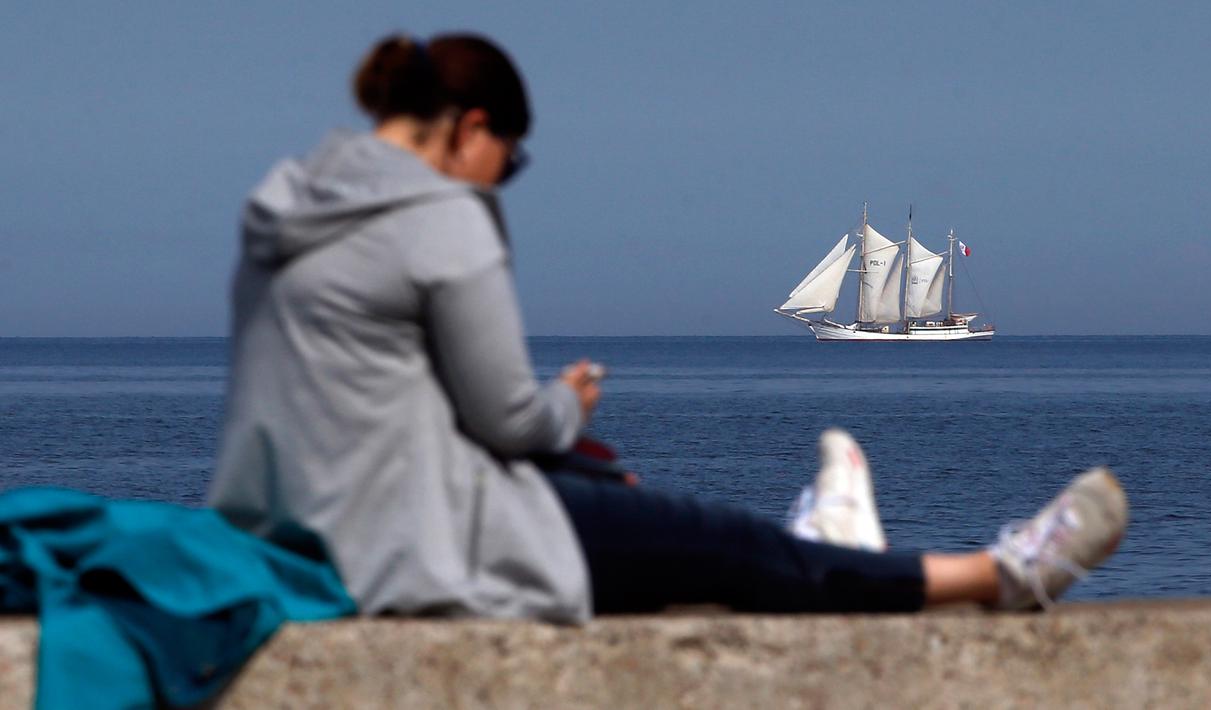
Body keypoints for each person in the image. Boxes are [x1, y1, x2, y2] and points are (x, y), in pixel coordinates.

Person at [208, 33, 1127, 622]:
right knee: (717, 541)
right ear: (471, 128)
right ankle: (994, 576)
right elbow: (504, 424)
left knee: (617, 495)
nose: (501, 179)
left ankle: (829, 550)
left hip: (291, 531)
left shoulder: (282, 214)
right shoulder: (441, 216)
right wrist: (566, 405)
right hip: (409, 549)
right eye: (510, 160)